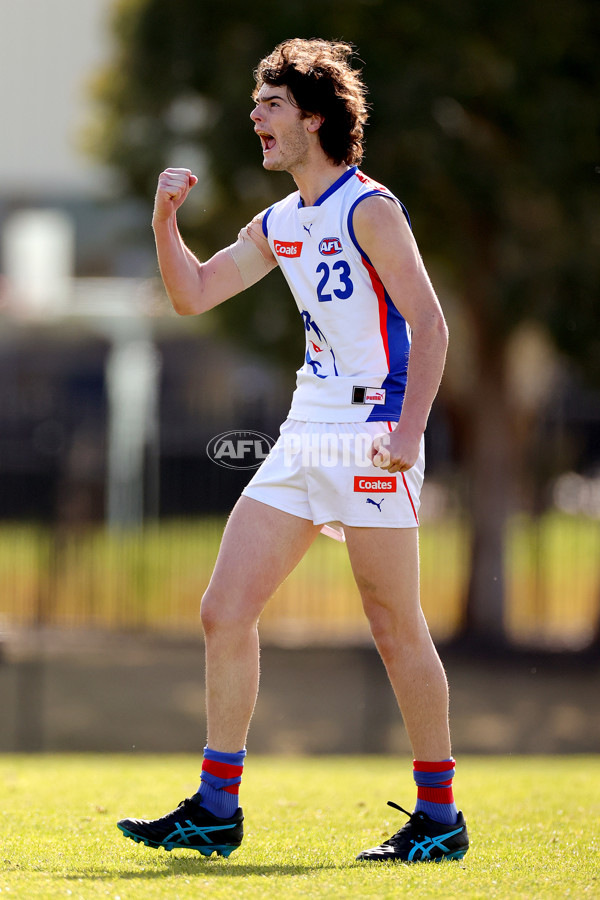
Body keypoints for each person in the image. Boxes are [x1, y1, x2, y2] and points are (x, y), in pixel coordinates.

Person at [117, 38, 469, 864]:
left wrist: (409, 431)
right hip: (304, 430)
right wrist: (165, 224)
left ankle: (440, 818)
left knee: (393, 625)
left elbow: (431, 324)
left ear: (314, 118)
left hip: (372, 436)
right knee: (223, 609)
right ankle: (216, 807)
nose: (255, 116)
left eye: (270, 103)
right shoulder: (280, 221)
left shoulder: (369, 207)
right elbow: (194, 293)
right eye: (257, 103)